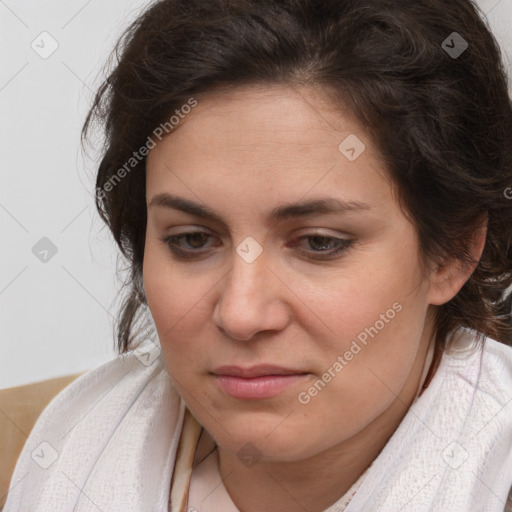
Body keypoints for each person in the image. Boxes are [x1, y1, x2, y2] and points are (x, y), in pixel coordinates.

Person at [4, 0, 512, 511]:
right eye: (193, 240)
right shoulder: (51, 454)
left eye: (319, 243)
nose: (241, 315)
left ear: (453, 252)